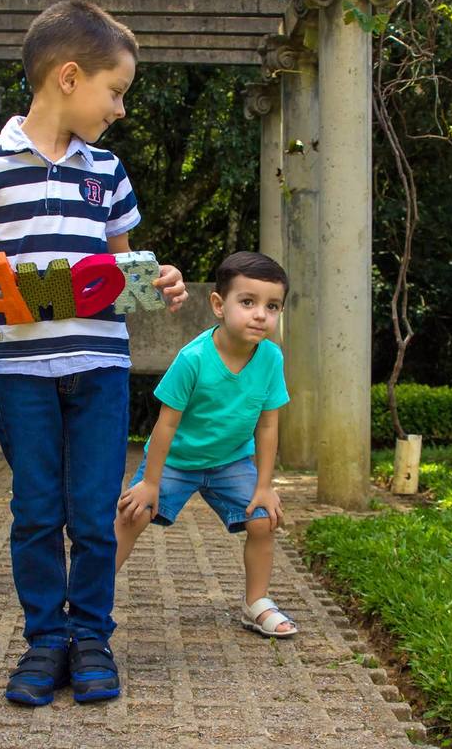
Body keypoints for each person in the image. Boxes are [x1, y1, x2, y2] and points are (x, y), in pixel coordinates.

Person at [0, 0, 187, 706]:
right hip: (19, 374)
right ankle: (46, 640)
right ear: (70, 78)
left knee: (95, 513)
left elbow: (121, 267)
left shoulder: (108, 171)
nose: (121, 108)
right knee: (38, 512)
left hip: (100, 367)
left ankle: (92, 637)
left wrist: (160, 280)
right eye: (116, 91)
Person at [116, 251, 298, 639]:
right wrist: (150, 482)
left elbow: (268, 425)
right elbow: (165, 424)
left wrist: (265, 486)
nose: (260, 315)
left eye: (272, 306)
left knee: (263, 519)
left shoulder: (271, 358)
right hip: (176, 461)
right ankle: (89, 599)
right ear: (219, 305)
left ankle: (256, 602)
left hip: (230, 462)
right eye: (247, 302)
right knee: (134, 512)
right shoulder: (194, 358)